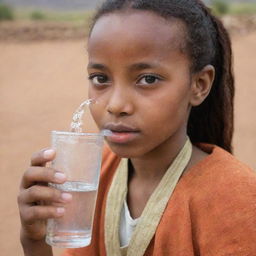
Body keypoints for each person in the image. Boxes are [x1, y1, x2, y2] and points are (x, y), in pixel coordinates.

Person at [17, 0, 256, 255]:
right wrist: (35, 241)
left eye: (148, 79)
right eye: (100, 79)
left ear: (199, 84)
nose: (116, 105)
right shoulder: (96, 175)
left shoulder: (234, 199)